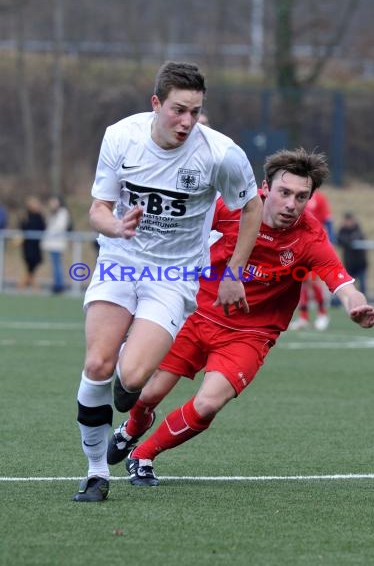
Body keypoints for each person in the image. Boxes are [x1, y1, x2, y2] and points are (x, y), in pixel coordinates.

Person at [106, 147, 374, 490]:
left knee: (207, 404)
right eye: (284, 192)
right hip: (198, 314)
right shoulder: (230, 207)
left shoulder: (309, 238)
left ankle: (143, 455)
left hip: (250, 334)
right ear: (265, 186)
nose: (291, 204)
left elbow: (342, 281)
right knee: (147, 395)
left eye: (301, 196)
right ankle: (132, 428)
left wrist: (356, 304)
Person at [73, 61, 262, 502]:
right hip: (121, 260)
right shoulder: (120, 136)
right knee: (98, 364)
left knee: (133, 377)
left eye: (195, 112)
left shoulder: (220, 153)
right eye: (178, 110)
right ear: (155, 104)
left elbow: (251, 207)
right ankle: (97, 472)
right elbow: (99, 207)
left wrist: (234, 271)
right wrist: (114, 228)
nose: (187, 122)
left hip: (173, 277)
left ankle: (128, 375)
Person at [290, 189, 335, 330]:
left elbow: (328, 221)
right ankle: (304, 317)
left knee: (312, 280)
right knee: (301, 281)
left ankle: (323, 314)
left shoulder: (319, 198)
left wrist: (328, 243)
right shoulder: (296, 196)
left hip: (314, 244)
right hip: (297, 244)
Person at [41, 196, 71, 293]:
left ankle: (59, 285)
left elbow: (59, 227)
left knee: (57, 265)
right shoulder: (52, 213)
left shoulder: (63, 213)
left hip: (57, 243)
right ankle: (56, 283)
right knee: (54, 264)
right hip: (51, 243)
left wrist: (51, 233)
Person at [337, 212, 368, 296]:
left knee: (362, 287)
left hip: (360, 263)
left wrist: (348, 240)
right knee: (349, 286)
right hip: (349, 264)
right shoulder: (343, 230)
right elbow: (340, 239)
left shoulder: (357, 229)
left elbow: (355, 238)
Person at [18, 196, 46, 290]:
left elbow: (43, 227)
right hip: (28, 245)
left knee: (34, 264)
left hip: (36, 245)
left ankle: (24, 283)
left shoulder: (39, 216)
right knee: (30, 265)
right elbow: (22, 227)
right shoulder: (26, 216)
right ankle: (31, 284)